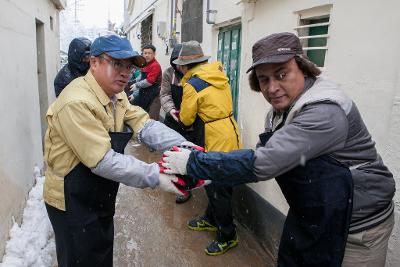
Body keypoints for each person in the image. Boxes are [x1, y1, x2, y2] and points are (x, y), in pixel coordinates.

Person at [162, 32, 396, 267]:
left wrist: (194, 163)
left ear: (303, 68)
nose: (272, 88)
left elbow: (264, 162)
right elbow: (266, 152)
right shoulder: (278, 111)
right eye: (264, 79)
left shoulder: (323, 111)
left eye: (282, 74)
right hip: (315, 213)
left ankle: (226, 234)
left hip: (358, 226)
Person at [43, 34, 187, 267]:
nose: (125, 72)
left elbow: (143, 123)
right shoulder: (76, 102)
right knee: (80, 260)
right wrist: (157, 175)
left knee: (100, 254)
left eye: (128, 66)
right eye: (116, 63)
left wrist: (184, 147)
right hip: (71, 201)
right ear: (94, 63)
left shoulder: (115, 93)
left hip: (98, 192)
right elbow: (103, 161)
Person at [172, 40, 243, 256]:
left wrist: (179, 114)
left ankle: (228, 235)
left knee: (217, 188)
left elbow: (186, 119)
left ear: (184, 66)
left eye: (179, 66)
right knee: (219, 184)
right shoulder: (218, 74)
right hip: (230, 131)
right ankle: (211, 219)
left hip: (213, 137)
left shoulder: (192, 84)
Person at [160, 43, 194, 204]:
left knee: (186, 153)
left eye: (184, 64)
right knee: (172, 151)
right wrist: (171, 110)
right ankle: (174, 180)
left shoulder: (195, 76)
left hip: (190, 121)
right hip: (172, 119)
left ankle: (185, 188)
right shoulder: (168, 74)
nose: (181, 67)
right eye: (177, 63)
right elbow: (165, 94)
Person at [130, 44, 162, 120]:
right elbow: (141, 77)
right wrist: (134, 92)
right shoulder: (144, 64)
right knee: (140, 116)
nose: (147, 55)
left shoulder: (155, 65)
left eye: (149, 53)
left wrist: (136, 85)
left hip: (154, 96)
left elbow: (149, 81)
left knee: (151, 119)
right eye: (145, 53)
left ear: (154, 54)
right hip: (144, 94)